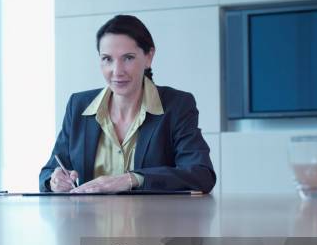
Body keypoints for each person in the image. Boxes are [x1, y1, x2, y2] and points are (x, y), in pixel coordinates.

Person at [39, 15, 216, 193]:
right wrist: (54, 181)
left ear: (149, 57)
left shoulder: (177, 105)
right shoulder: (78, 105)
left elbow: (201, 174)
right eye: (107, 59)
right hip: (89, 220)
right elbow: (48, 173)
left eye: (128, 58)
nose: (117, 71)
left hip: (156, 220)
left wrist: (132, 179)